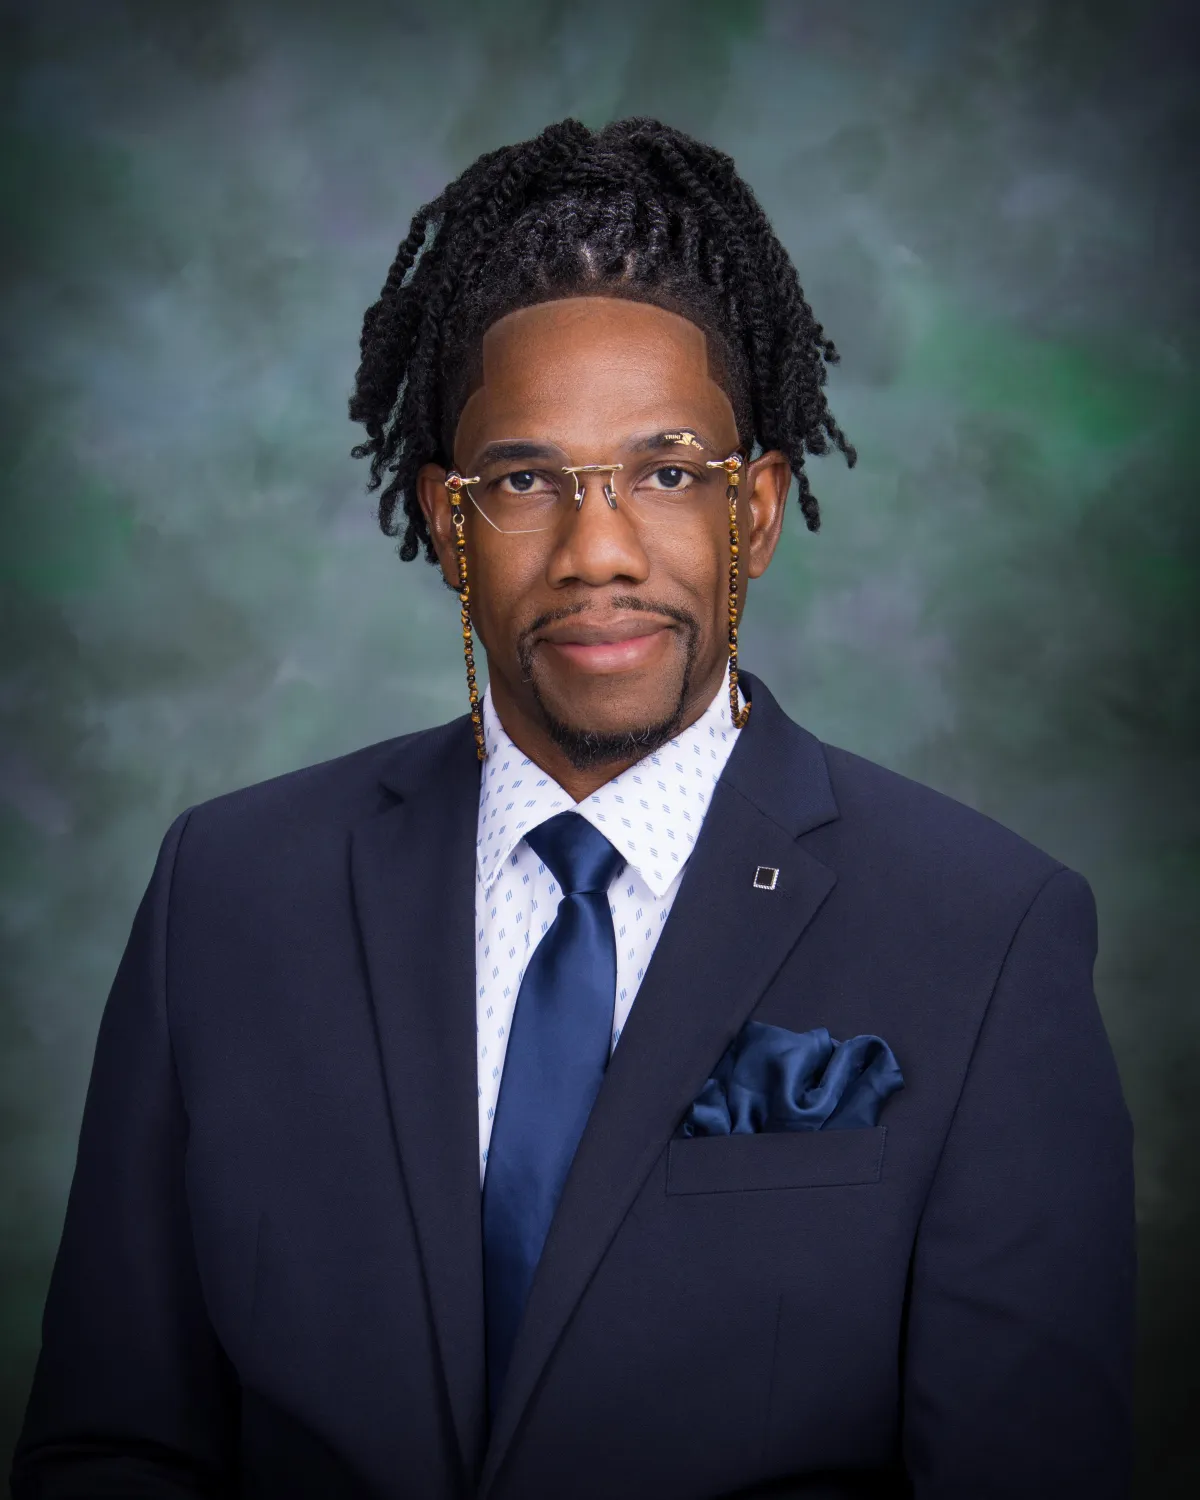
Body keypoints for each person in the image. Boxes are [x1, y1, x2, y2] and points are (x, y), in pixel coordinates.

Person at [12, 118, 1135, 1500]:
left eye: (667, 471)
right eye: (526, 481)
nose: (598, 551)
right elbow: (114, 1445)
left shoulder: (988, 932)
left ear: (755, 511)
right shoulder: (229, 895)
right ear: (448, 523)